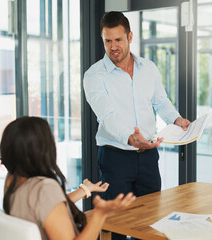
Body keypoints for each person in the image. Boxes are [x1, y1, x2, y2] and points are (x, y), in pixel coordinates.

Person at [83, 11, 191, 240]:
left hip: (148, 158)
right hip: (115, 157)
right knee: (117, 224)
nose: (113, 47)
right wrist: (130, 138)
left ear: (130, 37)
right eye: (108, 41)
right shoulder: (94, 76)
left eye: (118, 40)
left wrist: (177, 119)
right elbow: (107, 115)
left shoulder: (148, 68)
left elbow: (161, 102)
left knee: (150, 221)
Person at [0, 116, 136, 240]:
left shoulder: (12, 181)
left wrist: (84, 190)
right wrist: (101, 213)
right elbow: (46, 202)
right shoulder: (44, 188)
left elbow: (46, 208)